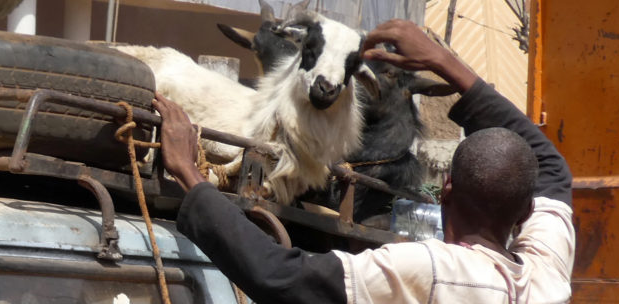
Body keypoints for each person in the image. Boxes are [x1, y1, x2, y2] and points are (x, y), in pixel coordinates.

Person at [153, 19, 574, 303]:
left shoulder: (426, 272)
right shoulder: (546, 278)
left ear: (444, 191)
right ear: (528, 210)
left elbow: (280, 277)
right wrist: (444, 62)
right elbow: (553, 167)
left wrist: (190, 174)